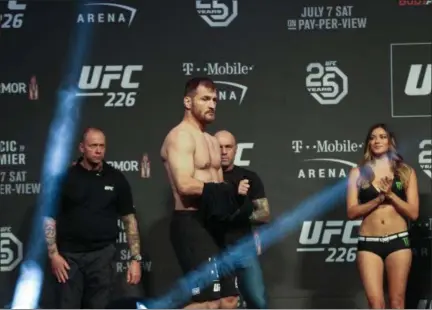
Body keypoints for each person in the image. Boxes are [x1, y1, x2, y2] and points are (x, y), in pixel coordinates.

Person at [160, 77, 244, 309]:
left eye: (215, 100)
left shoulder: (210, 140)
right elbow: (185, 185)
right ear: (188, 101)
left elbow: (217, 185)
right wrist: (223, 190)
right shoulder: (180, 136)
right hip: (192, 224)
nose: (212, 104)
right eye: (205, 99)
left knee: (229, 300)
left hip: (216, 224)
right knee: (208, 302)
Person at [43, 127, 143, 309]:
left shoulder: (116, 178)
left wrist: (135, 258)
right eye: (93, 146)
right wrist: (54, 255)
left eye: (102, 146)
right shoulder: (65, 179)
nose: (98, 150)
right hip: (69, 258)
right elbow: (49, 218)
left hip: (102, 256)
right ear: (82, 148)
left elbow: (129, 219)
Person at [346, 123, 419, 309]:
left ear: (390, 141)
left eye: (382, 136)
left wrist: (391, 195)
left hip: (398, 241)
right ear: (368, 143)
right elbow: (352, 212)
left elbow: (413, 213)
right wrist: (378, 199)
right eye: (372, 137)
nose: (377, 140)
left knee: (397, 302)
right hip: (369, 243)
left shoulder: (405, 171)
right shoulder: (358, 172)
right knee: (375, 303)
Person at [215, 130, 270, 309]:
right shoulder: (204, 179)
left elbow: (264, 214)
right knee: (221, 303)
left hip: (243, 247)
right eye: (219, 147)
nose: (223, 151)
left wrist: (236, 215)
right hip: (213, 248)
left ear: (236, 150)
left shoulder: (250, 178)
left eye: (228, 147)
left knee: (258, 300)